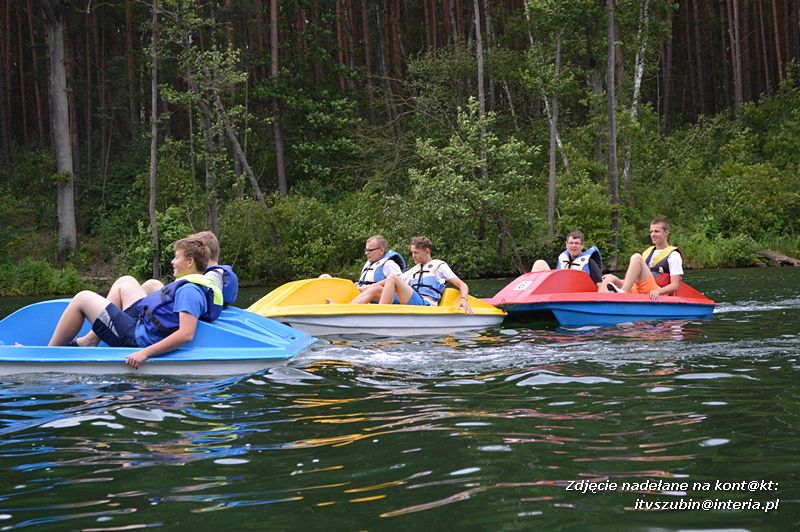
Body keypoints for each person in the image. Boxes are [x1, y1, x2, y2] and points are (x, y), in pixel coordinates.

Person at [49, 237, 223, 369]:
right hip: (142, 323)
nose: (172, 261)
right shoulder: (192, 286)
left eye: (176, 257)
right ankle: (90, 340)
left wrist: (144, 353)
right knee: (126, 281)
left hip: (136, 339)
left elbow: (186, 334)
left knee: (82, 297)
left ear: (190, 262)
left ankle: (49, 353)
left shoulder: (189, 291)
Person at [354, 236, 473, 313]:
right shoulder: (414, 269)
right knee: (375, 289)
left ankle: (381, 315)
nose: (413, 256)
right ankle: (346, 309)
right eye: (412, 252)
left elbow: (462, 285)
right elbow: (386, 282)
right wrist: (366, 288)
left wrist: (463, 299)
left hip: (425, 306)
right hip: (413, 302)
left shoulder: (439, 266)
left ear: (427, 252)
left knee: (393, 278)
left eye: (416, 253)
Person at [142, 230, 239, 316]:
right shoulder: (214, 274)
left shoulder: (213, 275)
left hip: (189, 314)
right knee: (152, 285)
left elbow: (201, 301)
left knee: (151, 285)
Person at [599, 218, 683, 300]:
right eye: (651, 232)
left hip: (656, 291)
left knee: (636, 257)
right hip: (640, 287)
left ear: (666, 232)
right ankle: (600, 303)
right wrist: (617, 280)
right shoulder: (647, 252)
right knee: (609, 278)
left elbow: (675, 285)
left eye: (656, 231)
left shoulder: (674, 255)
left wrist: (658, 291)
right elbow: (637, 279)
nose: (653, 234)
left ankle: (623, 292)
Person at [530, 230, 603, 288]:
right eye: (571, 243)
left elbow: (600, 284)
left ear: (582, 246)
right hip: (561, 290)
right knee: (539, 263)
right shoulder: (563, 259)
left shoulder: (590, 262)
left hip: (580, 294)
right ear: (566, 244)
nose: (574, 246)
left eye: (577, 243)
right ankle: (529, 294)